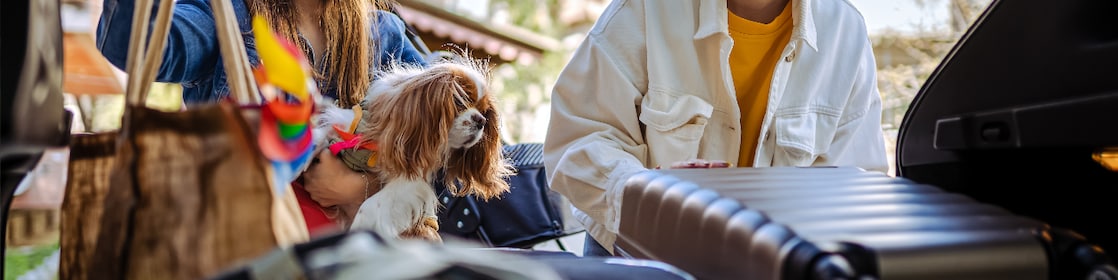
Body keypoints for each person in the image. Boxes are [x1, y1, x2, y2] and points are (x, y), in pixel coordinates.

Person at [543, 0, 888, 257]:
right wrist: (650, 199)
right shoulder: (643, 9)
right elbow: (579, 137)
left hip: (774, 262)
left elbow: (856, 180)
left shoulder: (846, 32)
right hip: (635, 256)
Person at [95, 0, 428, 107]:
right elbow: (133, 47)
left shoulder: (383, 35)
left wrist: (359, 186)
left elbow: (455, 124)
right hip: (236, 247)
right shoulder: (227, 15)